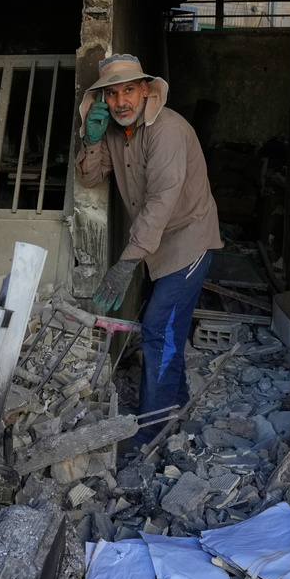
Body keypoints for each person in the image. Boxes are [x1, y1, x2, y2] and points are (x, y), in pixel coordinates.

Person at [75, 54, 223, 442]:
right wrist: (91, 140)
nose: (121, 101)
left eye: (128, 90)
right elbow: (90, 178)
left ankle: (151, 432)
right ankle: (178, 407)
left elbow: (160, 202)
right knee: (165, 328)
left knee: (158, 329)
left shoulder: (167, 130)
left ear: (145, 90)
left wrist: (125, 264)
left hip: (188, 239)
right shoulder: (115, 132)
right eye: (112, 94)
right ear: (103, 99)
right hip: (154, 246)